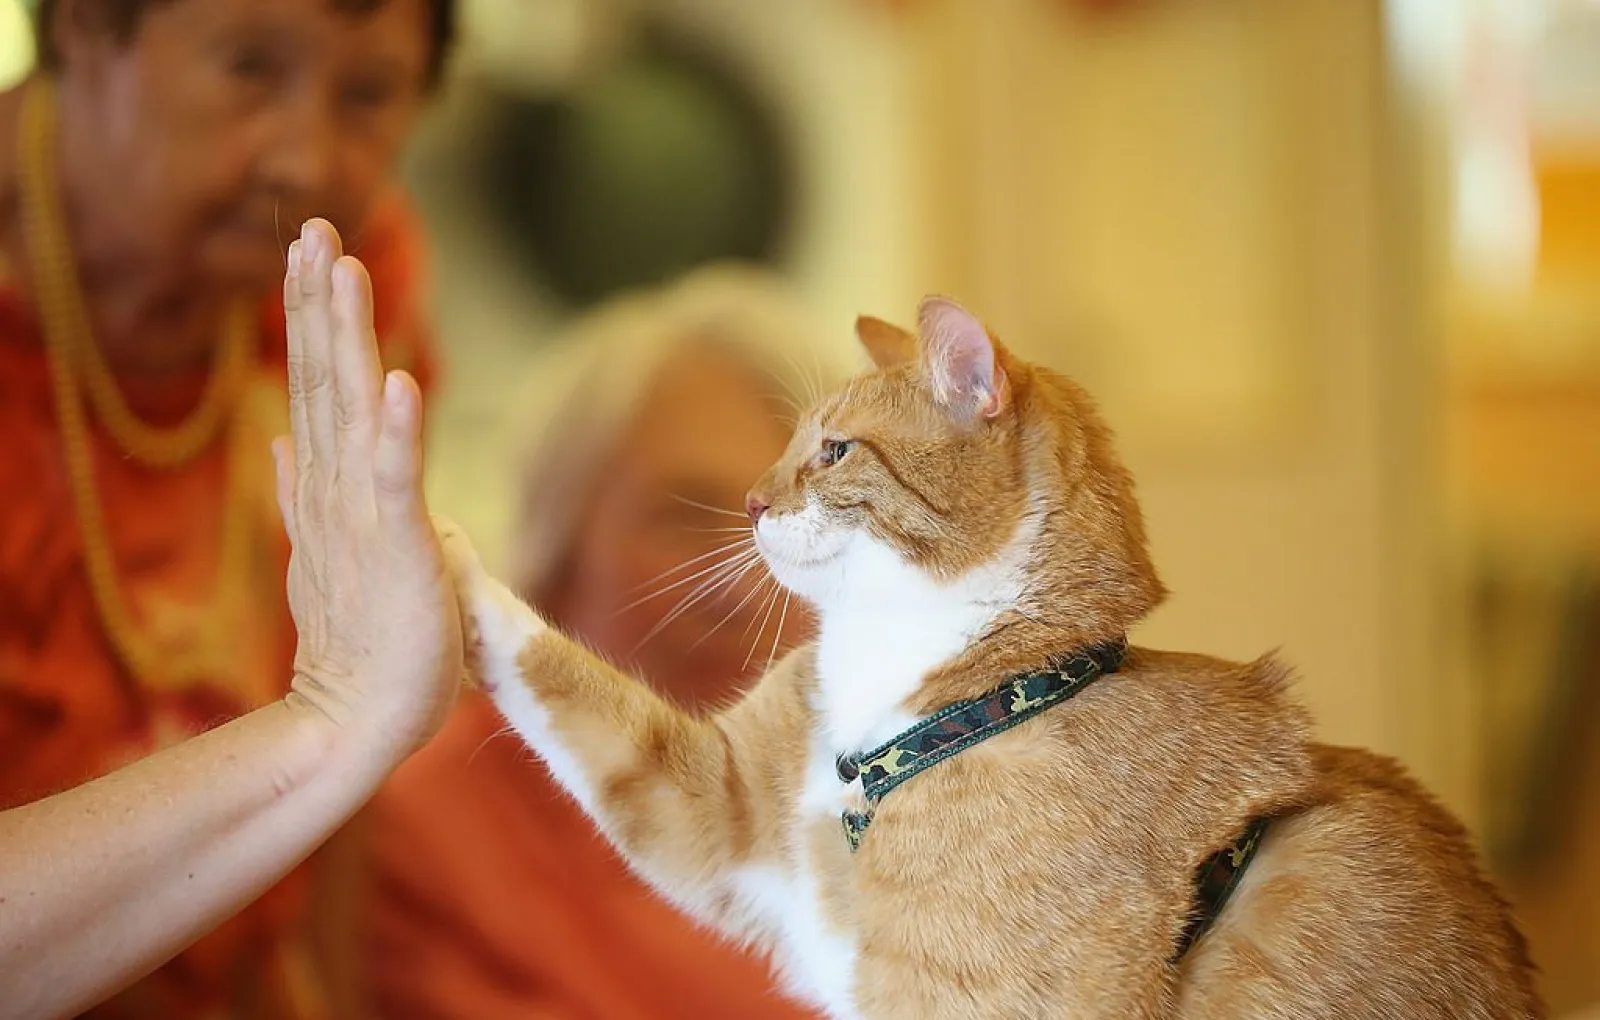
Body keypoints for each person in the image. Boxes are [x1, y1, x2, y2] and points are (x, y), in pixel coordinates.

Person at [0, 3, 455, 1016]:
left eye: (370, 93)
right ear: (81, 25)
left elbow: (356, 757)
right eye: (250, 67)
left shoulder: (345, 271)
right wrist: (334, 728)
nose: (308, 158)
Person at [351, 267, 842, 1019]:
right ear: (555, 556)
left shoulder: (893, 797)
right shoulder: (434, 830)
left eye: (802, 530)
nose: (741, 583)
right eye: (683, 516)